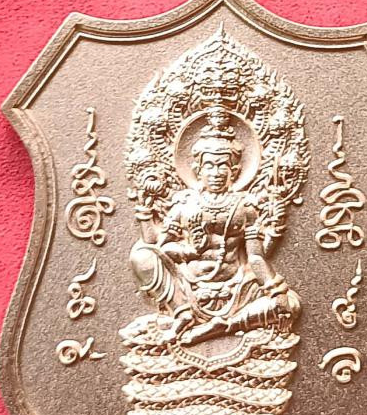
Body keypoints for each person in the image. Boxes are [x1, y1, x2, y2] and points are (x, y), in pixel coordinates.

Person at [127, 106, 300, 346]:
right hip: (187, 287)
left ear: (234, 171)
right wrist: (186, 251)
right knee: (141, 256)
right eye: (209, 165)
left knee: (291, 304)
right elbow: (162, 246)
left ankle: (224, 326)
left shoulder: (245, 207)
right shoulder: (185, 204)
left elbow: (256, 257)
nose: (216, 172)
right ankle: (182, 314)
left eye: (223, 165)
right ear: (198, 170)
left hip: (237, 288)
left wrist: (275, 289)